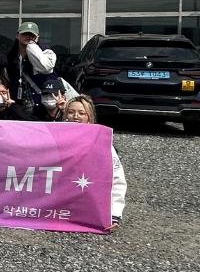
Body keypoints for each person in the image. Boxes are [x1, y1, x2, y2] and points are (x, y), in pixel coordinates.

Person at [64, 94, 126, 228]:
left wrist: (114, 214)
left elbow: (116, 179)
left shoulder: (102, 143)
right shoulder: (55, 136)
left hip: (87, 205)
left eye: (81, 113)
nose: (75, 116)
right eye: (71, 112)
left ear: (89, 117)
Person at [7, 21, 57, 113]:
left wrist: (31, 46)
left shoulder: (46, 52)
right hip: (18, 103)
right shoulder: (11, 56)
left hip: (41, 103)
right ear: (17, 35)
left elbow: (45, 67)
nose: (28, 37)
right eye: (25, 34)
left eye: (32, 35)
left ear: (37, 37)